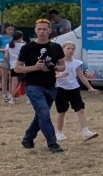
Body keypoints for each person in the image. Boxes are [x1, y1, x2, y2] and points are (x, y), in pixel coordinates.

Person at [16, 19, 66, 153]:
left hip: (50, 86)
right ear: (35, 30)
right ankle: (53, 144)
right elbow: (18, 69)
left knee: (40, 115)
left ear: (50, 30)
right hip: (33, 85)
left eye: (44, 29)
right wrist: (35, 67)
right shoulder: (27, 47)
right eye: (39, 29)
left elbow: (62, 66)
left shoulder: (56, 47)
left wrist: (53, 67)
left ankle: (28, 138)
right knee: (44, 113)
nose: (42, 32)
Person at [53, 41, 99, 142]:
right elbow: (52, 76)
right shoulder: (57, 63)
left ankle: (86, 132)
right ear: (63, 50)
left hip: (74, 88)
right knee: (61, 111)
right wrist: (60, 75)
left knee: (80, 110)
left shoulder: (76, 63)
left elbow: (81, 76)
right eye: (68, 48)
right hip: (61, 88)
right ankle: (59, 133)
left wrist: (90, 87)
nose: (70, 51)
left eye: (72, 49)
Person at [7, 30, 24, 104]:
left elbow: (6, 56)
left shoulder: (8, 45)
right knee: (23, 82)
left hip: (12, 65)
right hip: (21, 65)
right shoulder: (22, 45)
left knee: (14, 82)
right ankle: (26, 99)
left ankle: (11, 97)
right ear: (20, 38)